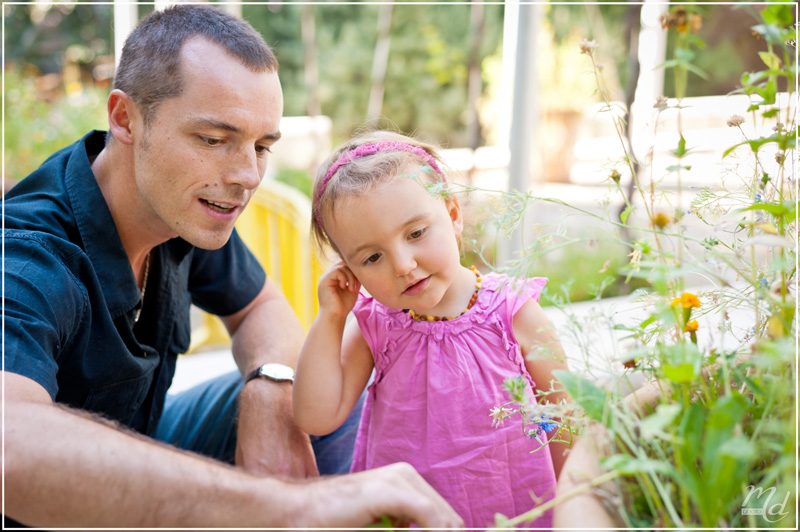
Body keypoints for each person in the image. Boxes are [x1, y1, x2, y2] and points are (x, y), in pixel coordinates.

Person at [3, 5, 462, 529]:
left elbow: (260, 305)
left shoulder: (181, 204)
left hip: (148, 431)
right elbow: (9, 446)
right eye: (214, 140)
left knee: (324, 398)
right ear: (125, 118)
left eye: (261, 145)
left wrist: (271, 387)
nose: (246, 176)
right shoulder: (25, 258)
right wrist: (294, 507)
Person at [293, 130, 573, 529]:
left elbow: (566, 418)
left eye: (416, 233)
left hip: (517, 508)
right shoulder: (375, 325)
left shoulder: (513, 312)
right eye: (372, 257)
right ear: (349, 269)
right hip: (413, 517)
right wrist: (331, 318)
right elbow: (316, 418)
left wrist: (577, 509)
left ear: (453, 215)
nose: (403, 264)